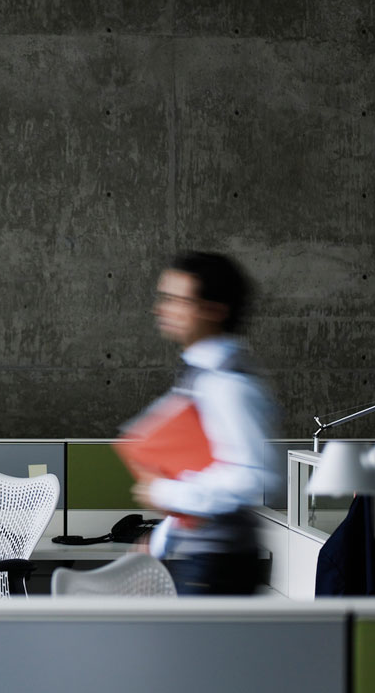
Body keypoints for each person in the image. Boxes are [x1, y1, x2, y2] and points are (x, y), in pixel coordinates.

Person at [124, 251, 279, 595]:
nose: (160, 309)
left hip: (218, 563)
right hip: (202, 555)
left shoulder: (227, 382)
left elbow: (252, 475)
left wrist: (163, 491)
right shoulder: (200, 373)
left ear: (213, 310)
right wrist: (163, 537)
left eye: (176, 300)